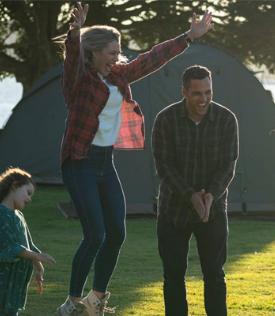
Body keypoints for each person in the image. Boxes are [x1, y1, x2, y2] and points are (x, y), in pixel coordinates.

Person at [54, 3, 214, 315]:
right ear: (95, 52)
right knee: (95, 234)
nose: (117, 57)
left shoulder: (118, 76)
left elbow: (152, 58)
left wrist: (188, 37)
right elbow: (72, 59)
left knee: (116, 233)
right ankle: (71, 303)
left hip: (104, 163)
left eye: (119, 51)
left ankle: (95, 301)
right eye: (112, 52)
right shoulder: (79, 81)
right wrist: (74, 33)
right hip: (79, 162)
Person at [151, 65, 239, 316]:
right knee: (173, 278)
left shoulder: (226, 119)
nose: (204, 99)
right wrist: (191, 195)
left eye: (208, 92)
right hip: (173, 211)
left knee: (215, 277)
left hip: (213, 210)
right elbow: (164, 167)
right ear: (184, 92)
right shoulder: (165, 119)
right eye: (197, 94)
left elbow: (228, 164)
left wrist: (210, 195)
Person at [0, 167, 57, 316]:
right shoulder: (1, 214)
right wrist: (37, 257)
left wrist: (39, 268)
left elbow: (28, 245)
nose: (29, 199)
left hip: (15, 280)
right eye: (28, 193)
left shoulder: (18, 215)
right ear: (14, 186)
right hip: (2, 279)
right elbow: (10, 247)